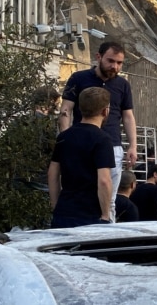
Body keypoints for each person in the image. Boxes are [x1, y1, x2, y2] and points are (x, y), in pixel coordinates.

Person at [59, 42, 138, 222]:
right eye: (111, 61)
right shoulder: (78, 78)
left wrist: (133, 146)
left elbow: (128, 116)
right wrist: (65, 138)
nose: (114, 66)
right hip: (82, 145)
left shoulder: (123, 85)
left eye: (119, 63)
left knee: (110, 200)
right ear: (98, 57)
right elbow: (66, 110)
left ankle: (105, 235)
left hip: (112, 146)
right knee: (79, 192)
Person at [48, 87, 115, 228]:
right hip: (90, 215)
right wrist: (105, 216)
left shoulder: (64, 137)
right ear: (105, 111)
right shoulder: (103, 139)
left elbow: (53, 174)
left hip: (64, 210)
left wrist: (55, 206)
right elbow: (104, 180)